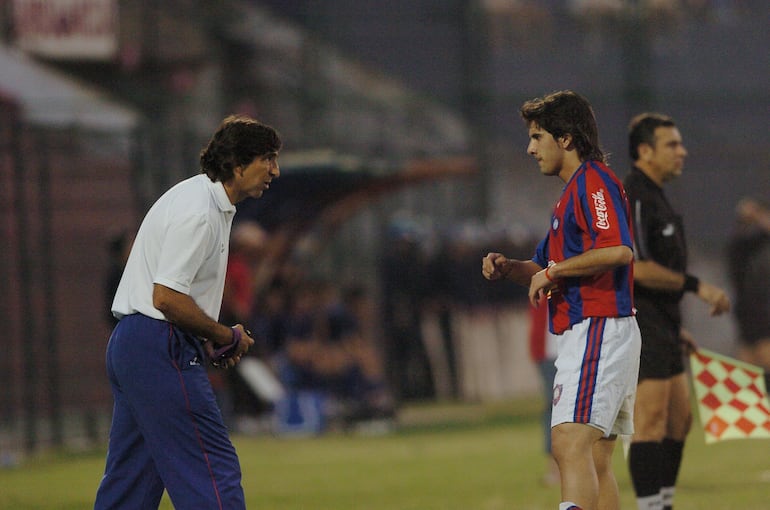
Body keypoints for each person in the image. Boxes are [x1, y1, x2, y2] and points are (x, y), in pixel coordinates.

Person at [94, 115, 282, 510]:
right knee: (211, 470)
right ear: (237, 164)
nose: (275, 171)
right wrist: (220, 333)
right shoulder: (200, 212)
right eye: (268, 158)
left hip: (134, 343)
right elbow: (166, 297)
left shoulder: (195, 197)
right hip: (158, 344)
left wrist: (212, 332)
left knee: (131, 483)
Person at [482, 90, 641, 510]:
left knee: (569, 442)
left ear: (566, 138)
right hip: (597, 329)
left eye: (537, 137)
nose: (530, 148)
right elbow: (541, 268)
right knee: (593, 456)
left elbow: (618, 250)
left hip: (599, 325)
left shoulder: (594, 182)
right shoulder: (571, 194)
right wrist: (509, 266)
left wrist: (553, 272)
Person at [623, 112, 730, 510]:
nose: (681, 152)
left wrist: (677, 325)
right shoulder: (633, 193)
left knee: (680, 420)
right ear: (645, 151)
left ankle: (662, 503)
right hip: (642, 326)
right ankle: (652, 507)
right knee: (649, 423)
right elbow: (637, 266)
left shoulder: (657, 194)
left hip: (665, 326)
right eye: (672, 144)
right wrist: (697, 287)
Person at [727, 197, 770, 389]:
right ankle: (752, 409)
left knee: (756, 357)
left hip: (758, 309)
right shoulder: (742, 246)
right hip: (752, 310)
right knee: (751, 359)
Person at [529, 295, 560, 487]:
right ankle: (555, 468)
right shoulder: (544, 267)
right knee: (554, 407)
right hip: (550, 350)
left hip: (578, 344)